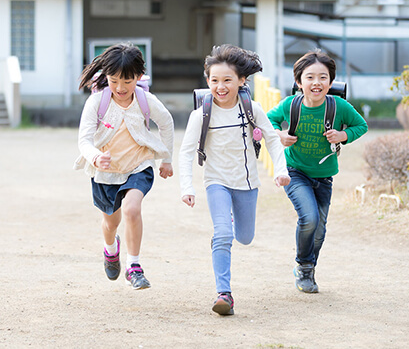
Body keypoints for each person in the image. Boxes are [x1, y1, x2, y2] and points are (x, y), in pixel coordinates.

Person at [179, 44, 290, 315]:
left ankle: (229, 222)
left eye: (227, 80)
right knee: (223, 234)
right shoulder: (200, 114)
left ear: (241, 81)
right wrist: (187, 186)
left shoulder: (252, 108)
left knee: (245, 236)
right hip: (216, 181)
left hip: (247, 183)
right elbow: (185, 152)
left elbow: (274, 140)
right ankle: (224, 294)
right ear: (207, 82)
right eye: (214, 80)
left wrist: (280, 170)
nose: (220, 86)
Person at [74, 43, 174, 290]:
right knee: (110, 223)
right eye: (114, 80)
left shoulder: (144, 100)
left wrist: (167, 159)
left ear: (138, 77)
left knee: (131, 209)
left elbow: (167, 123)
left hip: (138, 166)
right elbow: (84, 140)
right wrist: (96, 157)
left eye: (128, 82)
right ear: (106, 76)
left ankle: (134, 267)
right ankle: (110, 249)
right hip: (105, 173)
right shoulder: (97, 102)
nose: (120, 88)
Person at [267, 49, 368, 293]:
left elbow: (361, 125)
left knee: (320, 229)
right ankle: (304, 267)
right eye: (310, 77)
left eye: (323, 77)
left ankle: (308, 268)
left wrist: (343, 135)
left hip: (324, 177)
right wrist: (280, 134)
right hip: (295, 171)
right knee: (309, 218)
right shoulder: (291, 105)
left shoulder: (339, 106)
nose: (316, 82)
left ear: (331, 82)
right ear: (299, 82)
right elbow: (267, 120)